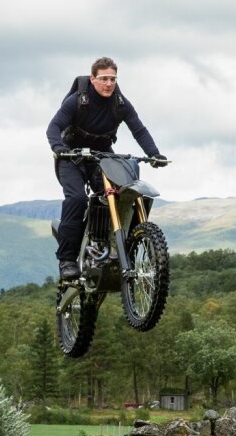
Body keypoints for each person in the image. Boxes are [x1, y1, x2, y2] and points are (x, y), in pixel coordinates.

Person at [46, 57, 167, 281]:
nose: (109, 83)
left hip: (102, 155)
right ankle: (67, 260)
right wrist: (59, 148)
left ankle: (114, 247)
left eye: (113, 79)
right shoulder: (77, 101)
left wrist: (154, 154)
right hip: (71, 155)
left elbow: (138, 129)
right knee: (77, 199)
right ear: (93, 79)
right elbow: (53, 127)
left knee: (119, 196)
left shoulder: (120, 103)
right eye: (104, 79)